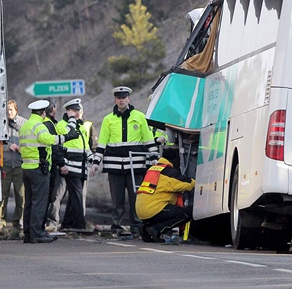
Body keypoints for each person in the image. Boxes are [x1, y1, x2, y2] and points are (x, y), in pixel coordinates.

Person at [90, 87, 158, 236]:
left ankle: (136, 225)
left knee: (136, 198)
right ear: (115, 100)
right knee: (117, 199)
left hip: (136, 167)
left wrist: (154, 159)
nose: (121, 100)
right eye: (119, 97)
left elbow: (148, 139)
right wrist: (96, 163)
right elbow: (102, 143)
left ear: (129, 99)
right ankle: (117, 225)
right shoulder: (108, 119)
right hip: (114, 167)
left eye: (124, 97)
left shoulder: (139, 117)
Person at [20, 100, 78, 243]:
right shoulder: (39, 126)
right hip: (38, 169)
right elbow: (48, 139)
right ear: (43, 113)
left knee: (29, 203)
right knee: (39, 202)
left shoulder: (26, 125)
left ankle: (28, 233)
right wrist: (66, 137)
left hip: (27, 168)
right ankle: (36, 233)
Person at [136, 156, 195, 243]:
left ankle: (145, 228)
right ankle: (156, 229)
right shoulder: (168, 172)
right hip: (153, 208)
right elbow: (186, 184)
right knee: (186, 214)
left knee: (168, 211)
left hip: (141, 210)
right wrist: (197, 181)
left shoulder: (153, 169)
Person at [56, 98, 92, 230]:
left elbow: (85, 146)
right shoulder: (61, 125)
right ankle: (80, 225)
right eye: (73, 110)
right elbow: (67, 135)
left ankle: (67, 224)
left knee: (73, 197)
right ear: (67, 111)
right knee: (77, 196)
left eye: (78, 110)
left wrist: (92, 159)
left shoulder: (81, 126)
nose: (77, 113)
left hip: (81, 166)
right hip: (69, 165)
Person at [0, 99, 26, 230]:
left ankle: (18, 221)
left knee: (21, 195)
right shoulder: (1, 124)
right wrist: (9, 146)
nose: (9, 112)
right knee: (2, 195)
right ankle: (0, 221)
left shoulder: (24, 124)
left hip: (20, 165)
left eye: (11, 110)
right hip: (6, 165)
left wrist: (22, 148)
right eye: (7, 110)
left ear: (16, 110)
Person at [43, 97, 68, 232]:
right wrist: (62, 163)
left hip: (41, 165)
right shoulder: (49, 124)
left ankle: (39, 227)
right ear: (53, 108)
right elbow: (55, 146)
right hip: (49, 166)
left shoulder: (42, 123)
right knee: (50, 197)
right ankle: (45, 226)